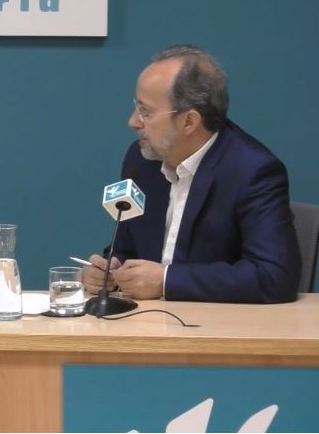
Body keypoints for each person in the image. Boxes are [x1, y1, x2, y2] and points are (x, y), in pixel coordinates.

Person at [82, 45, 300, 303]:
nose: (133, 122)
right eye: (136, 107)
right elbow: (127, 247)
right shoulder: (141, 160)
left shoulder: (252, 170)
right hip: (145, 320)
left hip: (216, 324)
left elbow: (274, 276)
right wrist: (109, 271)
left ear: (189, 121)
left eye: (146, 112)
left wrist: (166, 281)